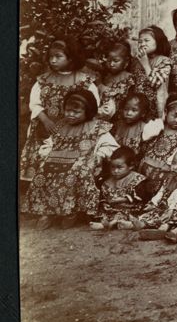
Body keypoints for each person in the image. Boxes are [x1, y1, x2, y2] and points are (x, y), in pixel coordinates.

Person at [24, 87, 114, 227]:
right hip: (58, 159)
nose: (70, 114)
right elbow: (50, 143)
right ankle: (47, 211)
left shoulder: (97, 127)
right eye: (68, 111)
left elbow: (110, 146)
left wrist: (99, 155)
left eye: (76, 112)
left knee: (76, 170)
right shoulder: (60, 126)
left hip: (83, 160)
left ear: (88, 112)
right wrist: (46, 152)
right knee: (43, 171)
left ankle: (71, 211)